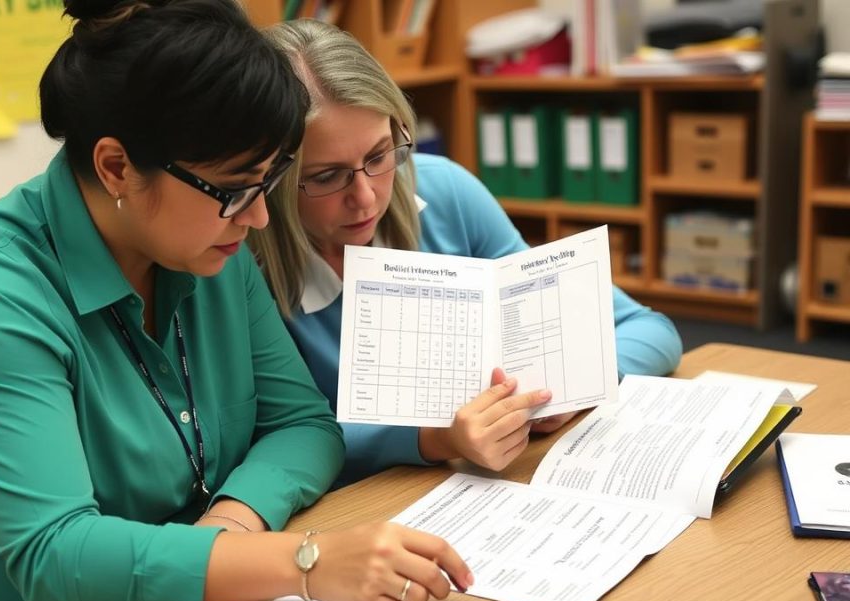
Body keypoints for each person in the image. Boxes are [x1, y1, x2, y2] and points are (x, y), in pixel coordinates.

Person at [0, 1, 471, 601]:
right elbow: (53, 550)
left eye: (268, 182)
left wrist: (230, 527)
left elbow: (302, 424)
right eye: (234, 190)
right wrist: (303, 560)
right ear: (116, 168)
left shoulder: (208, 242)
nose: (256, 220)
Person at [250, 19, 683, 488]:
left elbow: (651, 330)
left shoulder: (445, 192)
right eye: (329, 176)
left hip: (498, 480)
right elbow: (274, 443)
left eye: (380, 155)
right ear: (271, 179)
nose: (367, 198)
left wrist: (577, 387)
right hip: (364, 509)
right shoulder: (241, 266)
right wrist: (434, 438)